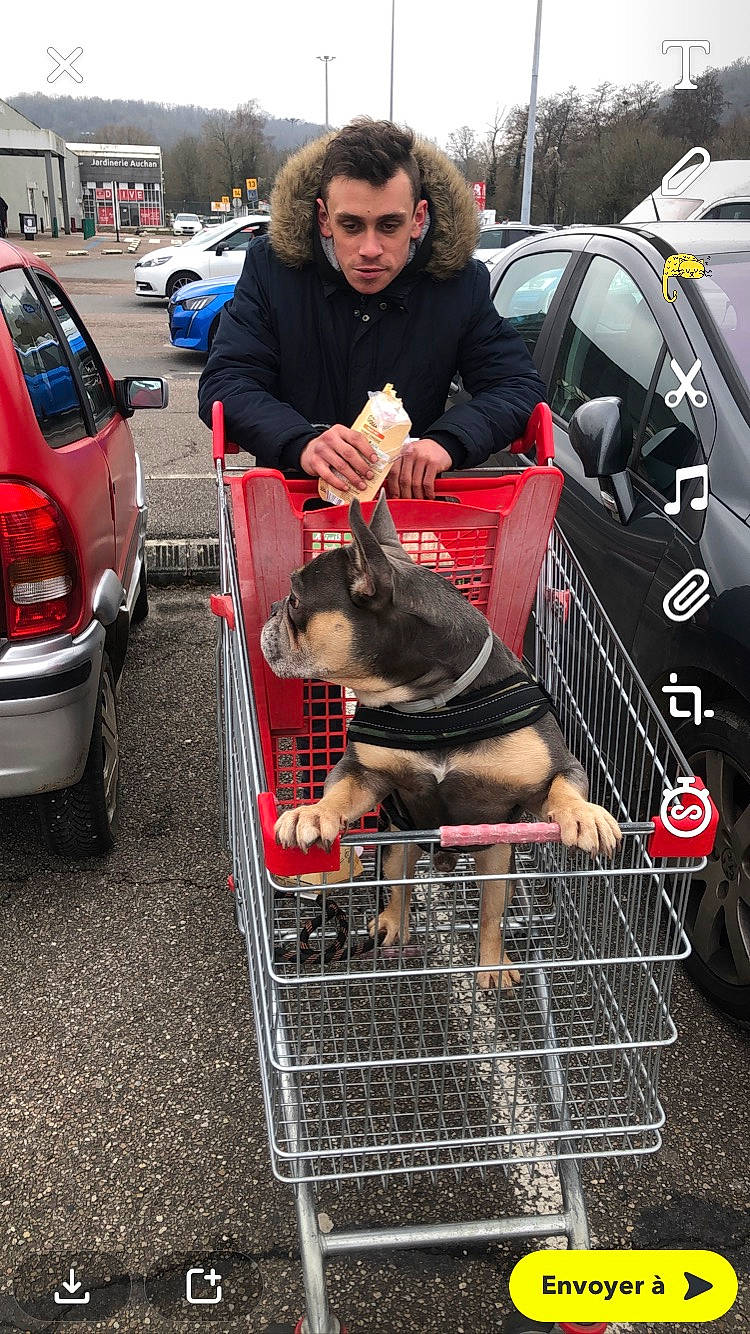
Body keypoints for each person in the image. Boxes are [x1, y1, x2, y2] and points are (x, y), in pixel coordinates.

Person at [198, 117, 546, 500]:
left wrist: (445, 443)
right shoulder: (273, 270)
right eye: (351, 225)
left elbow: (517, 386)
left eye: (388, 225)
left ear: (418, 219)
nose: (369, 249)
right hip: (295, 504)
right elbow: (227, 382)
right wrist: (302, 443)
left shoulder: (457, 283)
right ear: (324, 219)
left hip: (407, 517)